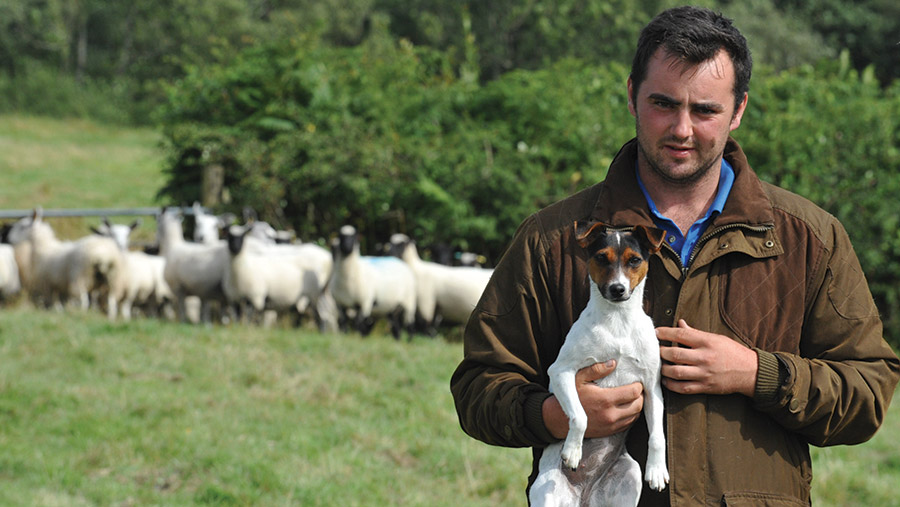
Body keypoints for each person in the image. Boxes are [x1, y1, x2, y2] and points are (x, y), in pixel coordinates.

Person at [450, 5, 900, 505]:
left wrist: (756, 374)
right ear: (631, 96)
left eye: (705, 110)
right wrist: (555, 414)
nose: (682, 129)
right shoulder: (551, 240)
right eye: (663, 104)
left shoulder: (809, 239)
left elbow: (868, 391)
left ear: (739, 110)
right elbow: (477, 388)